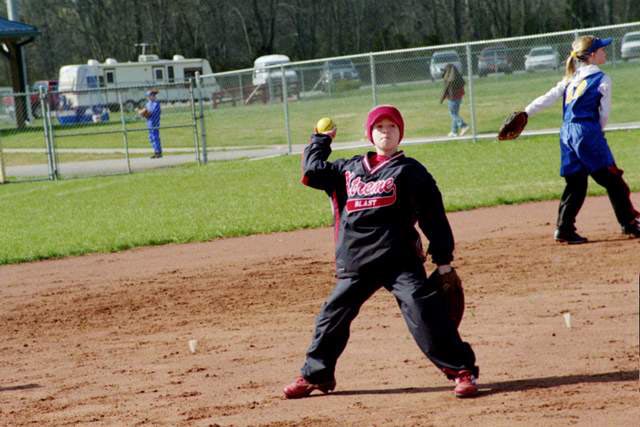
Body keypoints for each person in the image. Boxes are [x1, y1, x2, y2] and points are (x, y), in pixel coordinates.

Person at [283, 105, 479, 399]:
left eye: (392, 127)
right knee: (331, 315)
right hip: (357, 260)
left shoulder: (411, 171)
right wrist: (321, 140)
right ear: (369, 134)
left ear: (400, 133)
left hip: (399, 260)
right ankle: (315, 375)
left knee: (423, 309)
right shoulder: (347, 170)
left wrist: (443, 260)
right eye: (379, 127)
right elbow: (312, 171)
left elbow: (433, 216)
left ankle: (461, 370)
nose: (385, 132)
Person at [523, 35, 640, 243]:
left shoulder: (571, 78)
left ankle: (564, 229)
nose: (605, 52)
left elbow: (548, 97)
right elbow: (604, 114)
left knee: (576, 183)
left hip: (566, 132)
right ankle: (629, 223)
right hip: (587, 132)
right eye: (602, 50)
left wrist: (525, 113)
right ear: (592, 55)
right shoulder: (601, 78)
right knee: (613, 180)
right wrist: (596, 134)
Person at [440, 64, 469, 137]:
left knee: (453, 114)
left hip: (452, 99)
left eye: (445, 70)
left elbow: (445, 89)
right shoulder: (458, 77)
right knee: (455, 113)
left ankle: (463, 125)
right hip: (459, 98)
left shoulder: (449, 79)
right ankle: (454, 131)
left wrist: (442, 98)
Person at [138, 89, 163, 158]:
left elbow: (150, 112)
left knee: (155, 137)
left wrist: (143, 112)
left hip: (155, 123)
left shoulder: (156, 103)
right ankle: (155, 151)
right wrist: (141, 112)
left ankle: (158, 152)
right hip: (149, 123)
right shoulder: (148, 104)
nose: (149, 97)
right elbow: (146, 112)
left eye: (152, 95)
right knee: (151, 137)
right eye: (149, 96)